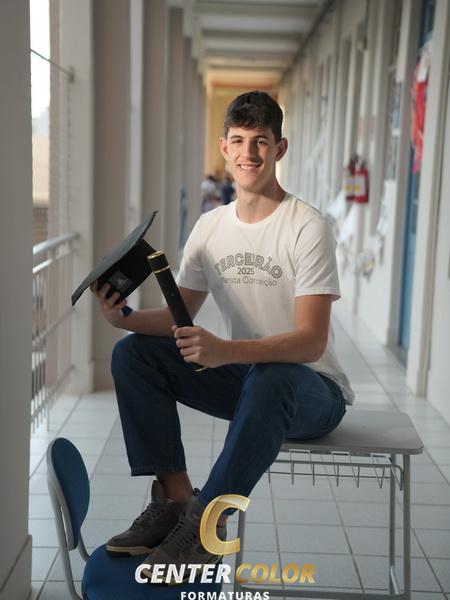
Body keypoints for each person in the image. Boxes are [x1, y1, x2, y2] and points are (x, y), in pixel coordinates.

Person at [91, 90, 353, 581]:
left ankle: (206, 526)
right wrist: (124, 317)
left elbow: (311, 341)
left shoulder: (308, 227)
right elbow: (181, 314)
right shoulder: (210, 227)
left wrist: (224, 350)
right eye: (238, 140)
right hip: (250, 381)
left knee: (272, 377)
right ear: (224, 147)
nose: (249, 152)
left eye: (261, 141)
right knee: (134, 356)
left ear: (280, 148)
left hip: (312, 391)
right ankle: (174, 499)